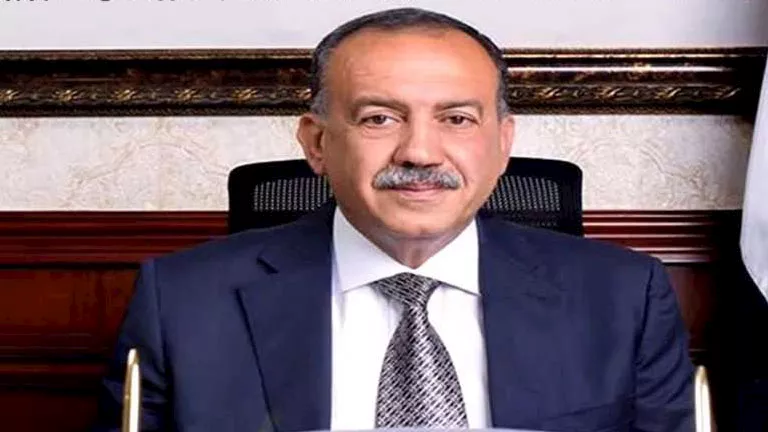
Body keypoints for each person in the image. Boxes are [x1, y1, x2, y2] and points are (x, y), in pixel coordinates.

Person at [95, 7, 694, 431]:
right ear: (317, 143)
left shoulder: (624, 297)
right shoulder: (182, 302)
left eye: (457, 119)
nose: (420, 153)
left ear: (502, 143)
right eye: (379, 118)